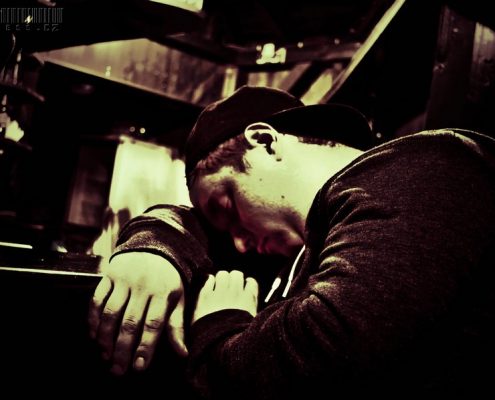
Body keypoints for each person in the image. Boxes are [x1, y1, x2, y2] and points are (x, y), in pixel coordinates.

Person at [88, 85, 495, 398]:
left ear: (265, 142)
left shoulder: (425, 169)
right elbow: (185, 221)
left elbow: (324, 356)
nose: (240, 245)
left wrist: (220, 327)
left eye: (227, 207)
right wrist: (153, 250)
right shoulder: (308, 242)